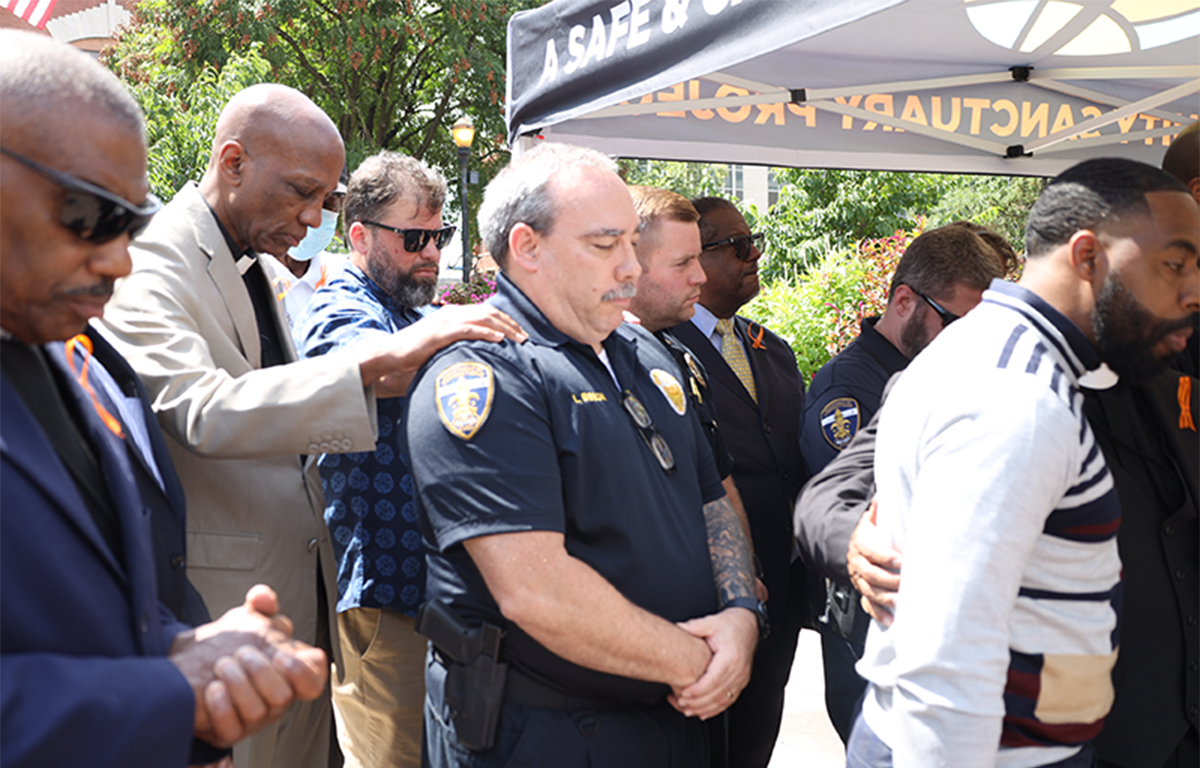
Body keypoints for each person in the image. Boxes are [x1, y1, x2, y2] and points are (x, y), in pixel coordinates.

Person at [99, 83, 524, 768]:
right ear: (232, 162)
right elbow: (200, 409)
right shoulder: (154, 260)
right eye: (301, 191)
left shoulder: (255, 264)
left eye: (325, 199)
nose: (311, 217)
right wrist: (370, 366)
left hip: (304, 598)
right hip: (223, 611)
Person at [0, 29, 328, 768]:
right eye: (89, 215)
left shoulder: (71, 356)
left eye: (135, 220)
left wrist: (185, 647)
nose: (120, 258)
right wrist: (165, 692)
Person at [407, 143, 763, 767]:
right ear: (528, 248)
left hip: (673, 720)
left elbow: (708, 499)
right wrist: (700, 661)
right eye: (606, 246)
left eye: (631, 242)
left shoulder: (648, 355)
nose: (630, 267)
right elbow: (535, 589)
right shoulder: (485, 376)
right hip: (550, 732)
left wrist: (741, 613)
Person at [845, 158, 1199, 767]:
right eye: (1175, 265)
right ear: (1088, 258)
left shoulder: (993, 352)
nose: (1193, 292)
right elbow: (946, 669)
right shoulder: (1016, 400)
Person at [297, 151, 505, 768]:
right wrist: (468, 327)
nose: (433, 253)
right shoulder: (341, 305)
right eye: (414, 237)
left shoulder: (415, 311)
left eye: (439, 236)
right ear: (359, 236)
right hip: (388, 595)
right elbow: (376, 368)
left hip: (437, 594)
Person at [797, 223, 1009, 742]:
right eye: (956, 322)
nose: (969, 341)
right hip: (871, 633)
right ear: (904, 302)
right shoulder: (850, 386)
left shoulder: (943, 371)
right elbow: (854, 501)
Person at [669, 196, 809, 768]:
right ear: (693, 260)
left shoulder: (771, 349)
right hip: (710, 594)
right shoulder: (661, 347)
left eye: (753, 242)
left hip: (783, 581)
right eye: (737, 246)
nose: (754, 255)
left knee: (757, 739)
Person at [264, 169, 348, 333]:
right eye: (305, 197)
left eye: (329, 202)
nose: (315, 218)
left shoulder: (345, 278)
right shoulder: (249, 276)